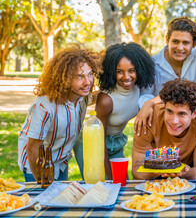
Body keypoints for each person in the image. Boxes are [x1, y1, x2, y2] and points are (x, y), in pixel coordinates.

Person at [18, 45, 101, 181]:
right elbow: (32, 148)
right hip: (37, 164)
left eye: (90, 74)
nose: (88, 82)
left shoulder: (82, 98)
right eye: (80, 76)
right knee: (42, 201)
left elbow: (99, 96)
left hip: (61, 161)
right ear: (65, 79)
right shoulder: (44, 106)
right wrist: (41, 180)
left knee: (60, 201)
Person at [73, 42, 155, 179]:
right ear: (111, 72)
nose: (126, 77)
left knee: (122, 184)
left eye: (132, 70)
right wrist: (110, 177)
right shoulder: (106, 100)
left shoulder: (137, 88)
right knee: (102, 186)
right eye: (119, 72)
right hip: (93, 143)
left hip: (116, 142)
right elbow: (99, 141)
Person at [132, 78, 196, 180]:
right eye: (169, 111)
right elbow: (136, 169)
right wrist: (157, 170)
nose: (174, 121)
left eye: (181, 114)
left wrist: (184, 173)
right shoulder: (148, 120)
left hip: (187, 174)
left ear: (194, 113)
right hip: (152, 176)